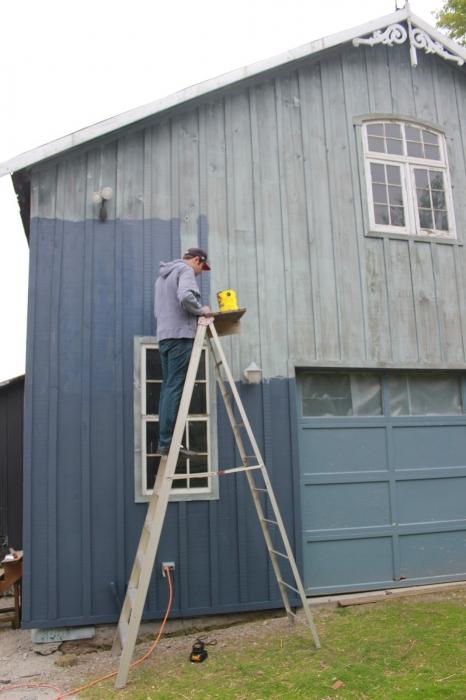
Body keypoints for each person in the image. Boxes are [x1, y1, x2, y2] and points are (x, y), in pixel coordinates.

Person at [154, 247, 212, 456]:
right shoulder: (185, 271)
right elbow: (186, 297)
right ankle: (169, 443)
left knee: (168, 388)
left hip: (165, 337)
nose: (200, 272)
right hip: (180, 337)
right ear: (197, 260)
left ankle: (164, 442)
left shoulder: (162, 278)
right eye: (201, 268)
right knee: (176, 387)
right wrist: (202, 310)